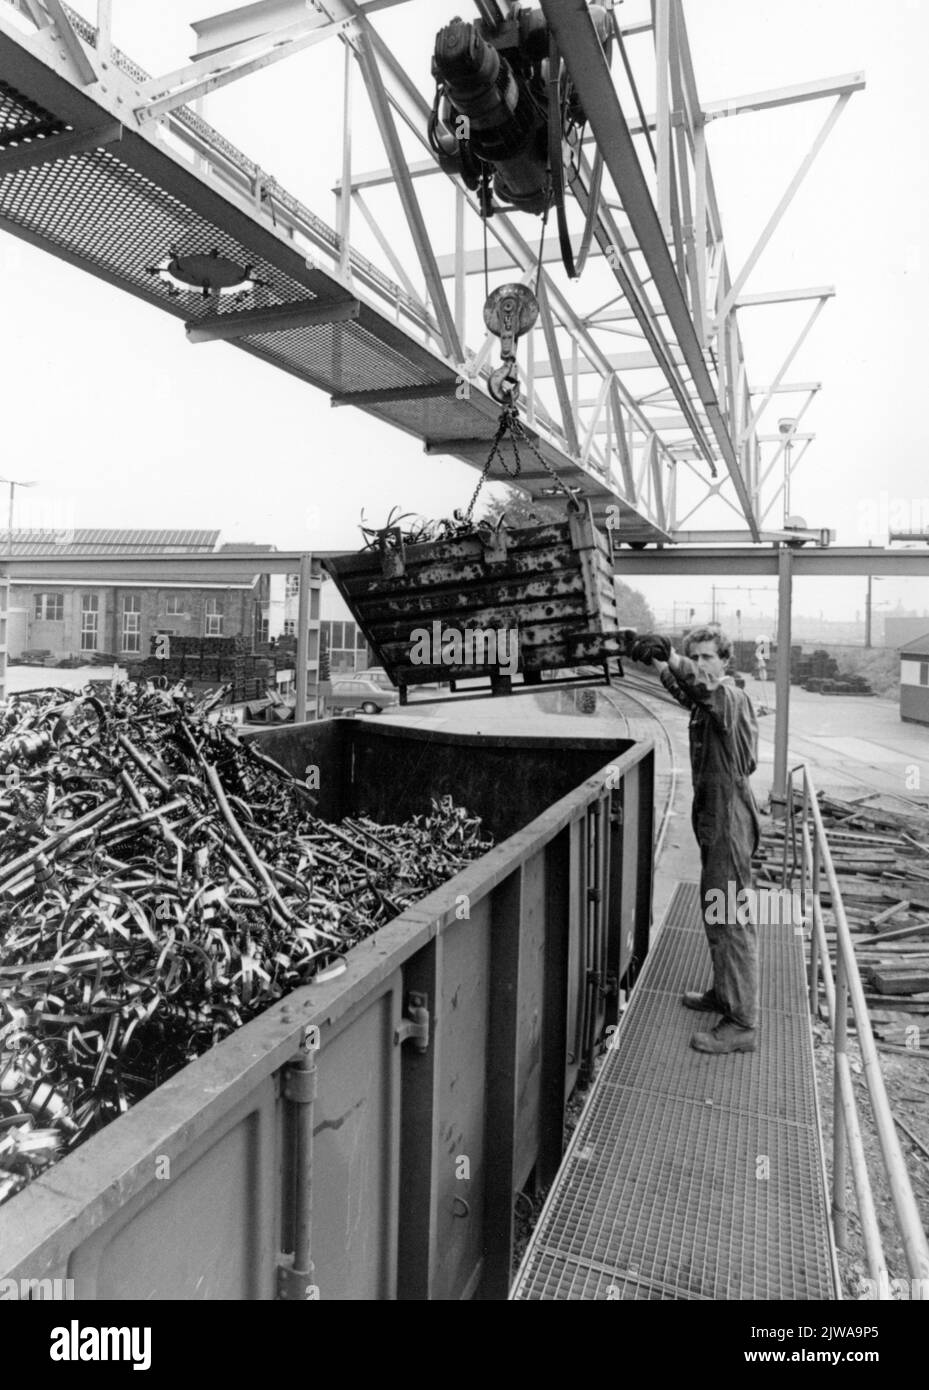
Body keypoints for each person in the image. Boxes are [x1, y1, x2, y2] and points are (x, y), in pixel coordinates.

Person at [631, 626, 761, 1054]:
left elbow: (698, 684)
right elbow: (685, 690)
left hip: (729, 819)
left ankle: (741, 1021)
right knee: (716, 909)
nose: (702, 665)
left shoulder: (728, 697)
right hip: (714, 816)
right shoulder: (708, 702)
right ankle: (724, 995)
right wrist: (658, 661)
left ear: (725, 661)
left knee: (730, 917)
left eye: (709, 657)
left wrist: (671, 655)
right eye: (696, 657)